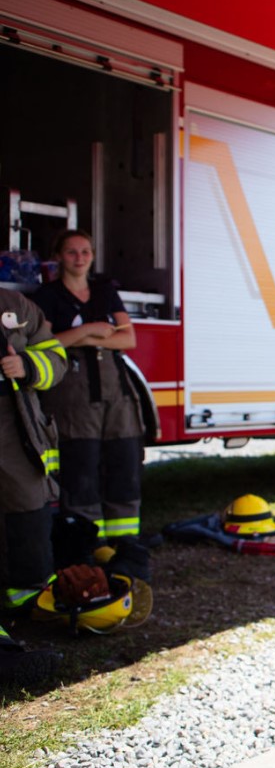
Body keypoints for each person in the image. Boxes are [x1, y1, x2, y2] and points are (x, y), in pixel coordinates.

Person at [32, 229, 143, 556]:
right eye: (71, 252)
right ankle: (88, 543)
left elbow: (128, 339)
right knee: (80, 467)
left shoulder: (105, 292)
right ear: (58, 257)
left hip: (115, 392)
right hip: (72, 396)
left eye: (85, 252)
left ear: (92, 256)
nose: (79, 258)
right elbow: (44, 344)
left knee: (123, 464)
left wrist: (79, 338)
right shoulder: (47, 296)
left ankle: (125, 544)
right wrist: (89, 329)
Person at [0, 287, 66, 687]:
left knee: (27, 503)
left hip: (14, 422)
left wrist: (26, 365)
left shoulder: (16, 306)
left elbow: (56, 356)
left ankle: (28, 598)